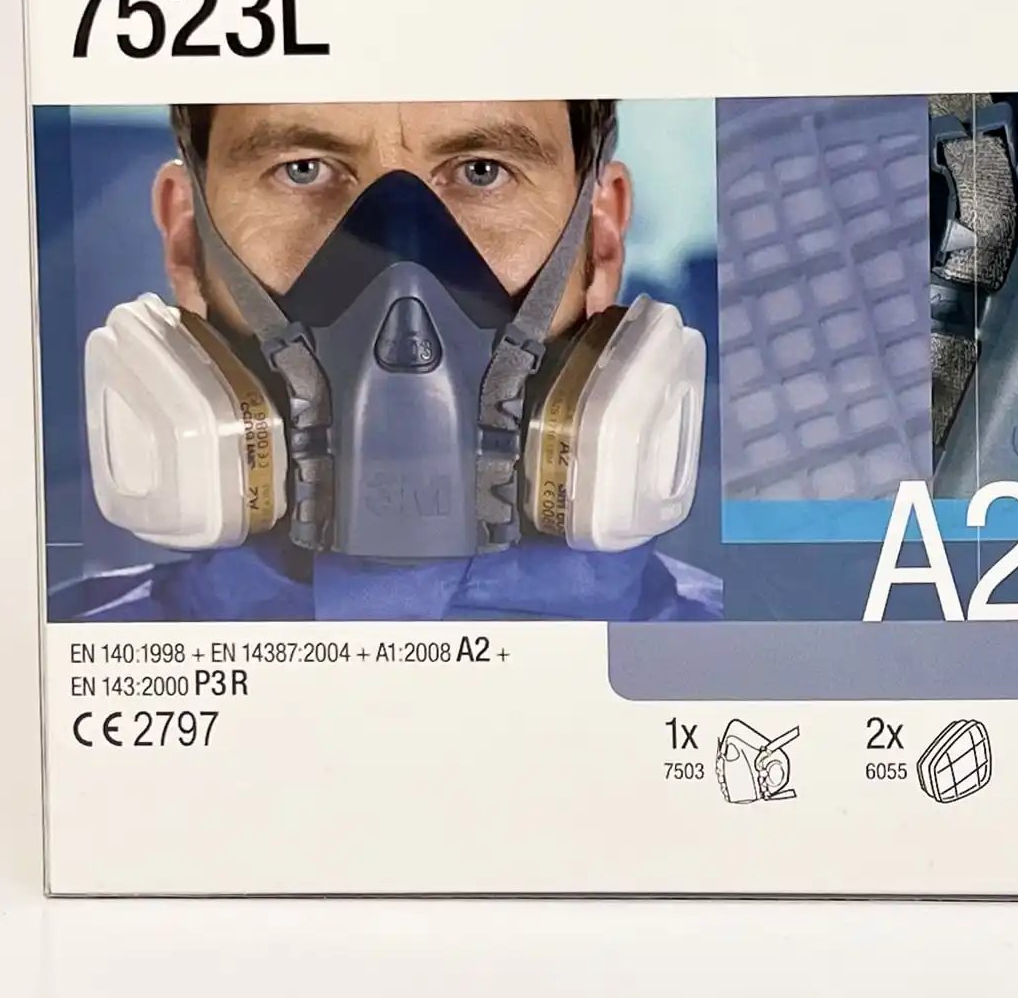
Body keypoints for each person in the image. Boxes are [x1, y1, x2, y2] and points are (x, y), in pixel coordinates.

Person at [63, 98, 721, 623]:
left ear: (601, 240)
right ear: (186, 239)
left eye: (483, 171)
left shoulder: (726, 663)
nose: (399, 263)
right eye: (303, 169)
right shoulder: (44, 669)